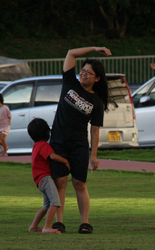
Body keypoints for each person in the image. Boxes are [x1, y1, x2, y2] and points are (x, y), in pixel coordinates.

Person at [50, 46, 112, 234]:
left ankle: (84, 222)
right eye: (83, 71)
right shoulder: (70, 82)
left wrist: (93, 155)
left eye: (89, 73)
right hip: (58, 142)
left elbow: (94, 130)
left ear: (97, 78)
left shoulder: (97, 102)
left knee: (79, 183)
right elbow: (70, 53)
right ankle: (58, 222)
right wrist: (94, 49)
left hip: (79, 146)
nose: (84, 74)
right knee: (60, 182)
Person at [27, 118, 70, 234]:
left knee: (46, 204)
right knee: (55, 202)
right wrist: (65, 161)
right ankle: (47, 227)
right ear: (47, 132)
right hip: (45, 177)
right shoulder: (44, 145)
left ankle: (34, 226)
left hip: (39, 179)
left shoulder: (36, 145)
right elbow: (53, 156)